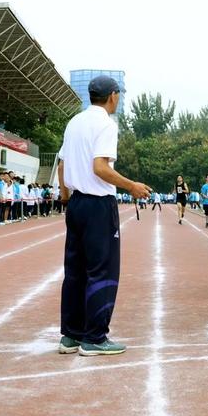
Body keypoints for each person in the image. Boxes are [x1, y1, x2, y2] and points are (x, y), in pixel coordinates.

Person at [57, 75, 151, 356]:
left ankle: (71, 336)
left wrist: (65, 196)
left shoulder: (74, 122)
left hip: (76, 205)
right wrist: (131, 186)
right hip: (98, 206)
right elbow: (100, 167)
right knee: (102, 269)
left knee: (75, 271)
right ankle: (95, 337)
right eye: (118, 95)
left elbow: (62, 163)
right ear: (112, 96)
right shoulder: (106, 125)